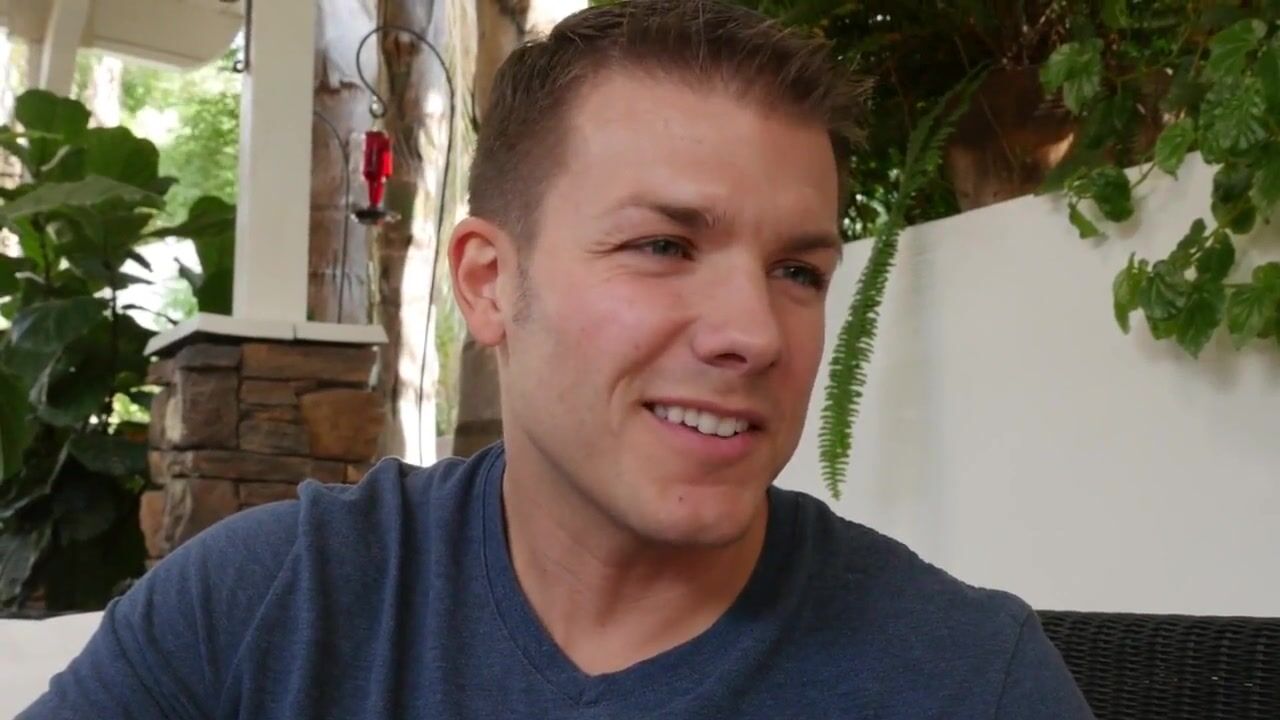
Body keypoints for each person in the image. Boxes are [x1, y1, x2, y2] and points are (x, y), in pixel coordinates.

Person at [22, 1, 1094, 717]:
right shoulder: (271, 609)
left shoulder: (965, 682)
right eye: (663, 247)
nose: (757, 333)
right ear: (490, 283)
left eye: (798, 271)